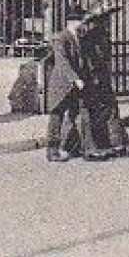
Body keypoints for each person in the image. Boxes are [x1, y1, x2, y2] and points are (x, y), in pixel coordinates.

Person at [77, 3, 128, 160]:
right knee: (92, 111)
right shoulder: (91, 36)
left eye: (107, 17)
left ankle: (115, 142)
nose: (107, 20)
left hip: (101, 77)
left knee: (110, 109)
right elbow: (89, 60)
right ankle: (91, 147)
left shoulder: (103, 34)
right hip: (93, 78)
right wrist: (94, 77)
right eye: (104, 18)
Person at [44, 11, 88, 162]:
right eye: (80, 21)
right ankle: (52, 151)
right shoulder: (62, 38)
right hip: (61, 85)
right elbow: (63, 62)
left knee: (75, 115)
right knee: (57, 117)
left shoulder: (77, 37)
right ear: (72, 22)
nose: (83, 23)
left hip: (73, 85)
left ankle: (72, 146)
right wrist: (75, 79)